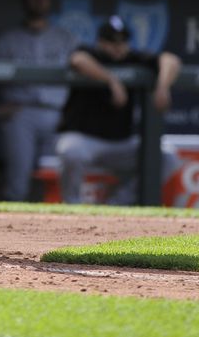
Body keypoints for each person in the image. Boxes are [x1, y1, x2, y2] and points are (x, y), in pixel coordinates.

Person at [56, 15, 181, 206]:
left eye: (122, 41)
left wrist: (163, 86)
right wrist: (111, 80)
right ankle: (72, 206)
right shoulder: (91, 53)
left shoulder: (133, 58)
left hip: (121, 143)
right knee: (70, 151)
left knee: (168, 158)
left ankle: (118, 205)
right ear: (100, 41)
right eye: (111, 41)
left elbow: (171, 59)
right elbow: (77, 60)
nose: (117, 47)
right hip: (84, 139)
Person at [0, 0, 79, 203]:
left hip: (56, 114)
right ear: (25, 1)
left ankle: (65, 228)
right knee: (17, 182)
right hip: (21, 114)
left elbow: (84, 76)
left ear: (50, 1)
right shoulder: (7, 41)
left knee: (57, 179)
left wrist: (72, 114)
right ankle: (12, 232)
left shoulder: (66, 39)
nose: (38, 2)